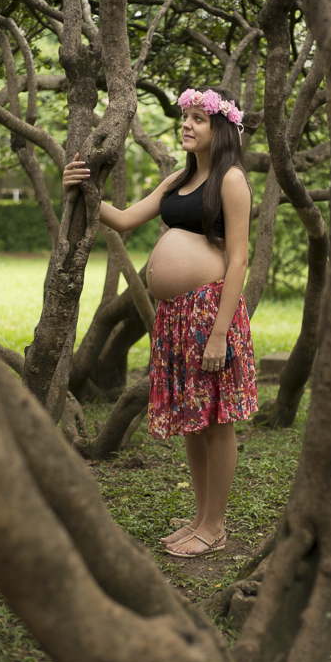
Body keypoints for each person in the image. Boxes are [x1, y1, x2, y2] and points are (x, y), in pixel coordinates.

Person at [63, 86, 258, 558]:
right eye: (185, 117)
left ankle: (214, 526)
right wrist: (81, 187)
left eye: (198, 118)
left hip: (210, 314)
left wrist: (217, 334)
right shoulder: (179, 179)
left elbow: (238, 260)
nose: (186, 125)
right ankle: (199, 517)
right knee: (194, 420)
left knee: (216, 422)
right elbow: (125, 219)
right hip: (175, 317)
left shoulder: (231, 180)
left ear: (222, 127)